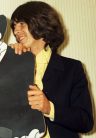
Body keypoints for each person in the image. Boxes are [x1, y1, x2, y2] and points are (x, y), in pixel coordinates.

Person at [10, 1, 94, 137]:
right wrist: (6, 59)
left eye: (21, 24)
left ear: (41, 24)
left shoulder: (72, 69)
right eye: (14, 26)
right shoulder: (10, 64)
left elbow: (86, 122)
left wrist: (49, 108)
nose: (16, 31)